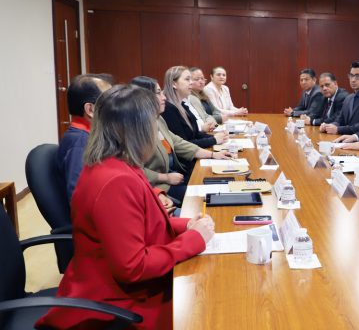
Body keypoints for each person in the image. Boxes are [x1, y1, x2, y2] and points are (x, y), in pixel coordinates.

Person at [36, 85, 215, 330]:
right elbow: (133, 267)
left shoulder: (115, 164)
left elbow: (142, 224)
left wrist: (187, 225)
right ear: (138, 130)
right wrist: (193, 240)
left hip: (122, 289)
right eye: (153, 123)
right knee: (207, 308)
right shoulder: (116, 181)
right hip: (116, 305)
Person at [132, 76, 231, 202]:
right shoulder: (135, 129)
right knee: (204, 199)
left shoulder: (157, 119)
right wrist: (166, 177)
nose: (163, 97)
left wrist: (212, 155)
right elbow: (134, 170)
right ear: (143, 97)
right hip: (158, 186)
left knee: (219, 186)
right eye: (158, 93)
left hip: (174, 175)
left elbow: (178, 142)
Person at [58, 74, 111, 200]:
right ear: (90, 109)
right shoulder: (80, 143)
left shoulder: (89, 135)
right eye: (110, 101)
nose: (116, 106)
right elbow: (79, 196)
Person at [161, 66, 227, 150]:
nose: (191, 82)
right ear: (174, 84)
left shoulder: (183, 105)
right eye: (187, 79)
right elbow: (184, 144)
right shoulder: (168, 109)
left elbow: (195, 134)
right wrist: (213, 140)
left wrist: (217, 137)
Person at [321, 59, 359, 135]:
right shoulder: (348, 98)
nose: (353, 80)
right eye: (351, 75)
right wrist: (328, 126)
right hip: (342, 139)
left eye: (357, 76)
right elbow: (340, 120)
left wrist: (338, 129)